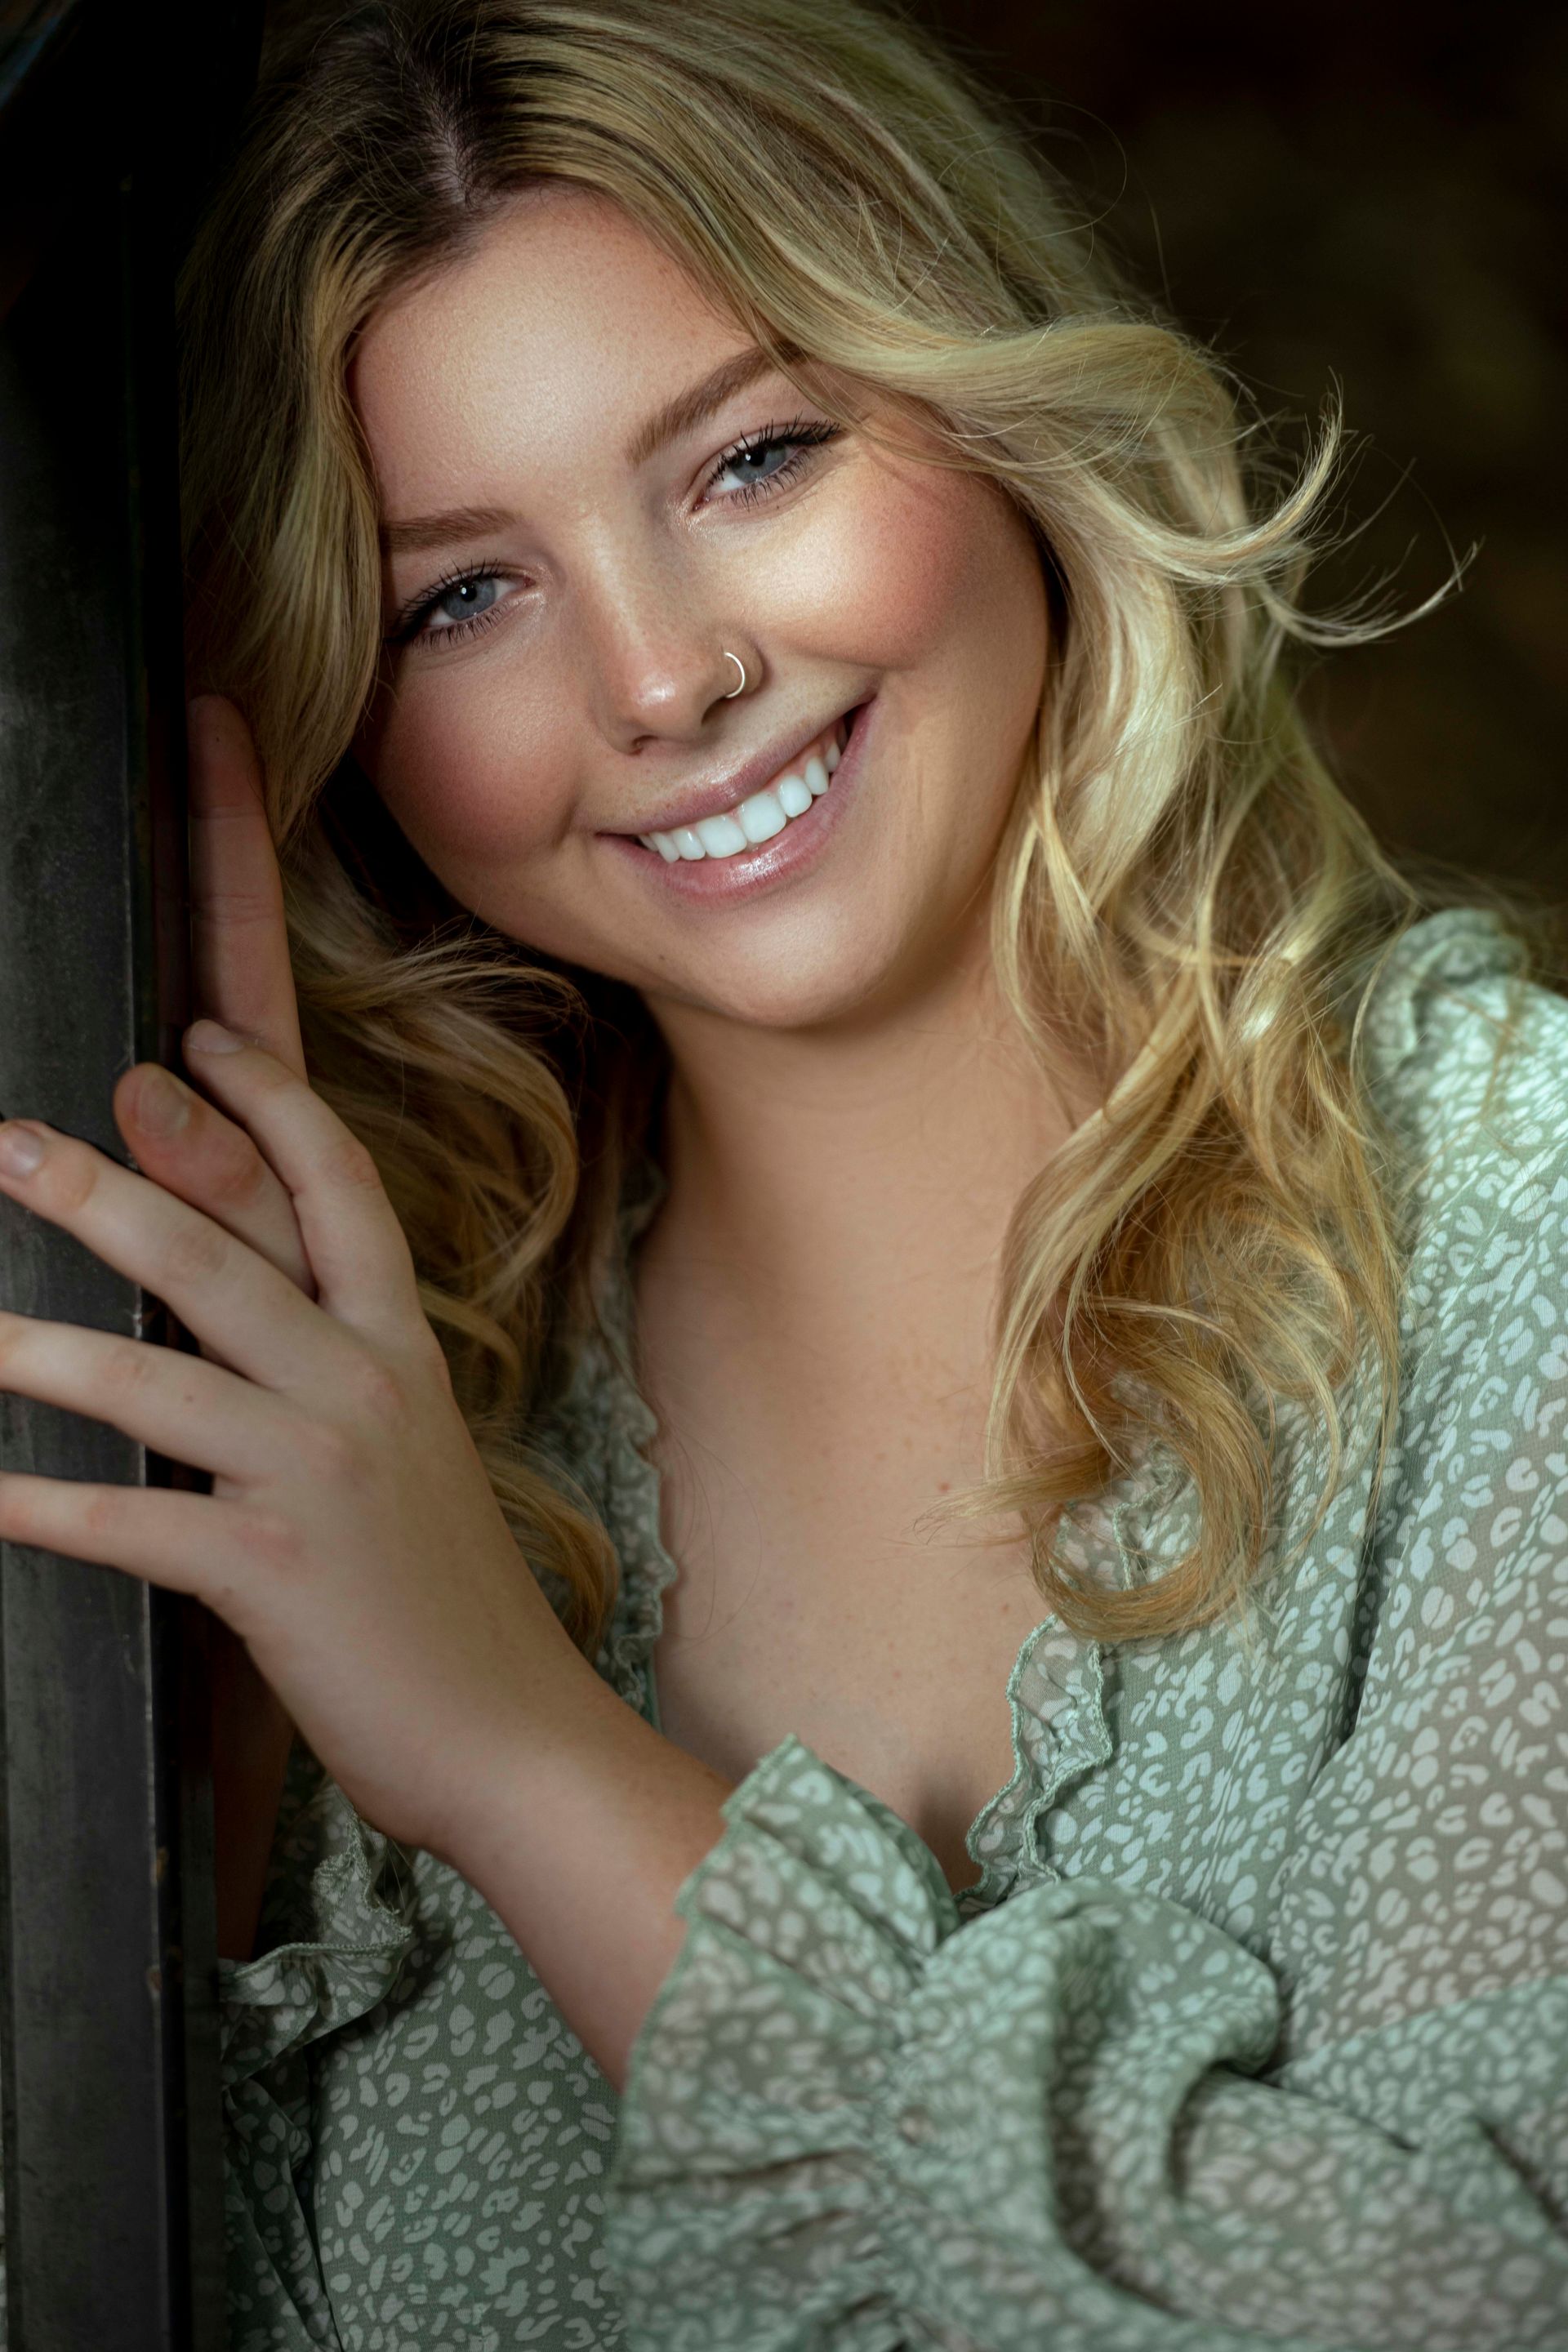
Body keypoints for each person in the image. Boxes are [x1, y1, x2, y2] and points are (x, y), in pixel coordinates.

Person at [0, 0, 1563, 2341]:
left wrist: (523, 1761)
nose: (659, 680)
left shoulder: (1511, 1234)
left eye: (749, 461)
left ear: (996, 403)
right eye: (464, 595)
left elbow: (1450, 2299)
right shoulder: (344, 1434)